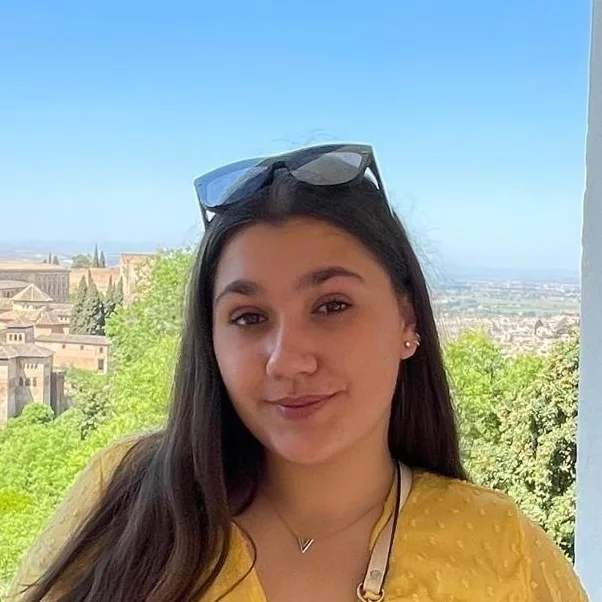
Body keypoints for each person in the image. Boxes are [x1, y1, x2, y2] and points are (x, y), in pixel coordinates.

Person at [8, 144, 588, 602]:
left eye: (332, 306)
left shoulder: (502, 552)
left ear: (406, 319)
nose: (286, 359)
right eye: (249, 317)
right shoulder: (127, 500)